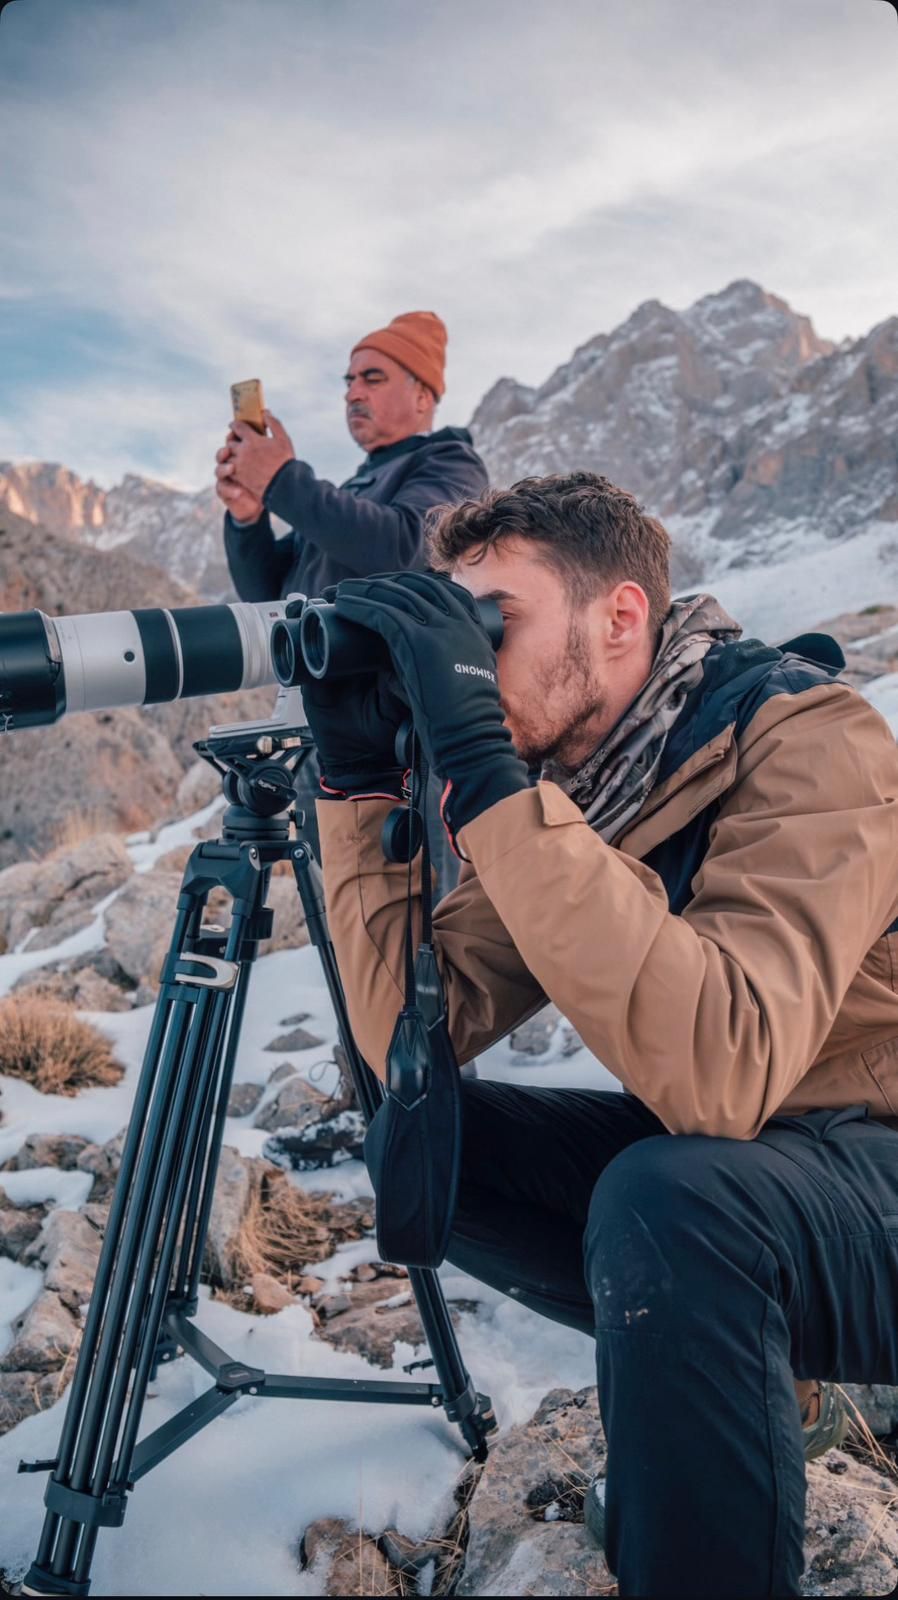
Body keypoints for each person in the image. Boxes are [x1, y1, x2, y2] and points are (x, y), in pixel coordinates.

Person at [301, 471, 898, 1599]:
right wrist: (357, 784)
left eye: (495, 623)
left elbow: (723, 1070)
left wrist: (490, 781)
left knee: (671, 1198)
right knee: (425, 1135)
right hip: (756, 1171)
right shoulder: (586, 794)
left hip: (873, 1160)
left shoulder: (814, 739)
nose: (472, 660)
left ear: (621, 617)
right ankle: (729, 1374)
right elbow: (406, 1044)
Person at [215, 308, 487, 879]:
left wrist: (283, 479)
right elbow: (269, 591)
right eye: (349, 380)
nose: (352, 393)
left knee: (418, 908)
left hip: (401, 737)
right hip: (323, 725)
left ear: (423, 395)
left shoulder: (448, 462)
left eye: (372, 378)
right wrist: (248, 516)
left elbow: (406, 547)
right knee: (347, 900)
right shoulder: (353, 489)